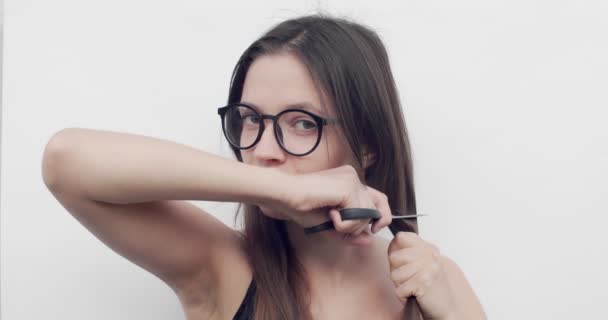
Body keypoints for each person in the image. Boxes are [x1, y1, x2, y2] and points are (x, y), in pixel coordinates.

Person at [42, 13, 486, 320]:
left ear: (367, 145)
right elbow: (66, 159)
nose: (265, 148)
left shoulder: (430, 279)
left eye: (300, 123)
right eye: (252, 118)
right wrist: (283, 189)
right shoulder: (221, 266)